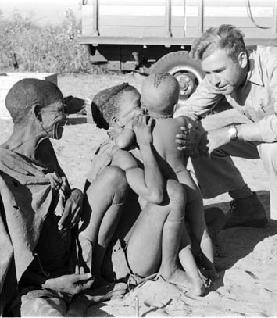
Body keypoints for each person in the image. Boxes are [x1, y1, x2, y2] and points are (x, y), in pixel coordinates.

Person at [175, 24, 277, 261]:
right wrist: (170, 125)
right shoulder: (219, 74)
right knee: (201, 133)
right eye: (208, 73)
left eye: (218, 71)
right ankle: (246, 205)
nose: (213, 80)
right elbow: (190, 110)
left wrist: (232, 132)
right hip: (268, 131)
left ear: (242, 58)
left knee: (276, 147)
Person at [0, 78, 129, 316]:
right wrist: (50, 285)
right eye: (60, 110)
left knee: (116, 178)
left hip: (72, 250)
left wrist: (77, 195)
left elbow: (58, 193)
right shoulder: (3, 169)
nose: (66, 117)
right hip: (36, 281)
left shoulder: (44, 149)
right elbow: (6, 254)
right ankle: (79, 298)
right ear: (37, 113)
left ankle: (94, 279)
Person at [86, 83, 207, 296]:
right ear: (117, 121)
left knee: (197, 210)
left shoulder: (131, 142)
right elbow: (155, 194)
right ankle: (169, 269)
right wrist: (145, 144)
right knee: (172, 192)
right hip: (126, 259)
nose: (145, 109)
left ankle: (185, 263)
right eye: (138, 105)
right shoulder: (117, 153)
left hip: (144, 239)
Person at [140, 72, 216, 278]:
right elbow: (194, 130)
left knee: (180, 235)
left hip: (168, 185)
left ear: (143, 104)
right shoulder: (182, 122)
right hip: (186, 180)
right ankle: (212, 269)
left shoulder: (144, 128)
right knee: (202, 230)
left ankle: (185, 270)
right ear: (175, 105)